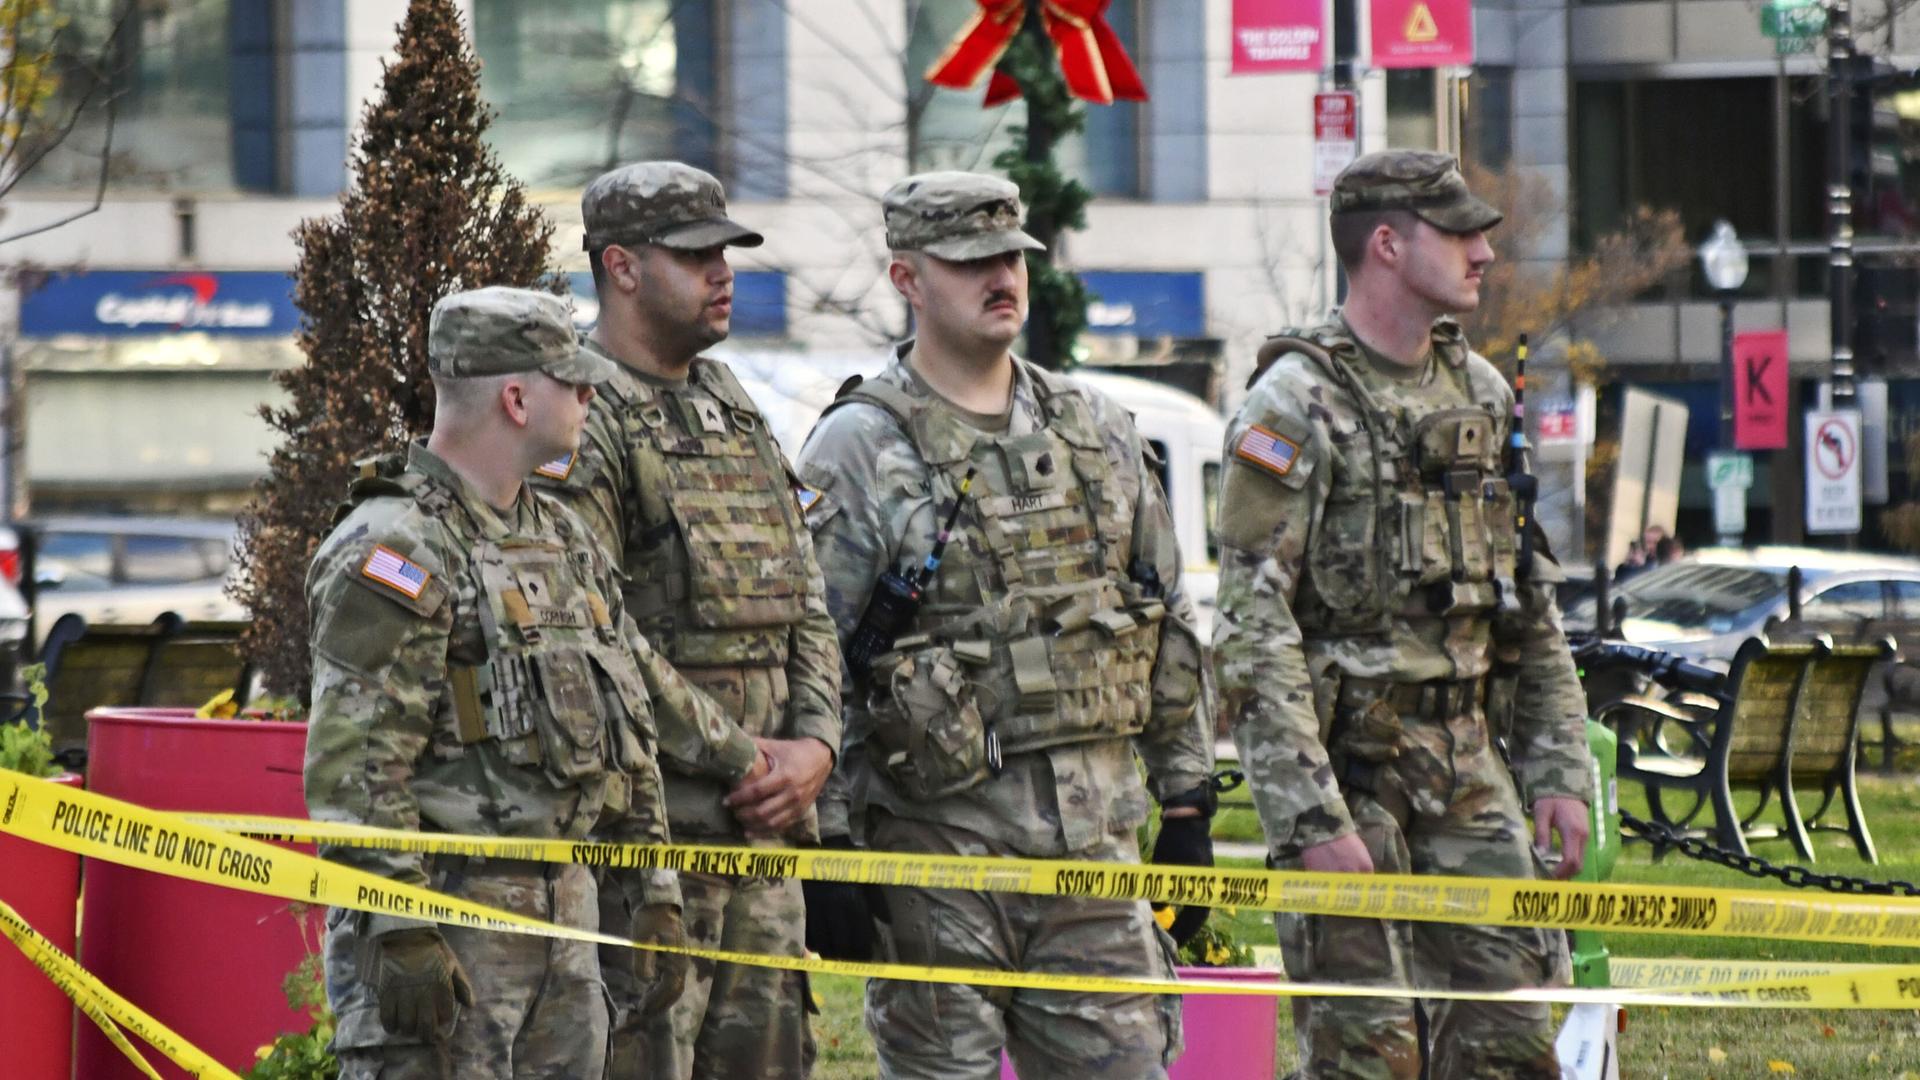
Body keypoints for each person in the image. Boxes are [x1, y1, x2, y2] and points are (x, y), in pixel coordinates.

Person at [794, 170, 1215, 1079]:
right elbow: (811, 654)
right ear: (908, 278)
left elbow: (1163, 619)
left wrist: (1188, 802)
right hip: (937, 868)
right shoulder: (858, 448)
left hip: (1095, 873)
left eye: (1012, 257)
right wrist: (823, 845)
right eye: (969, 260)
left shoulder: (1096, 430)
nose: (1002, 277)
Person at [1212, 150, 1594, 1080]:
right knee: (1368, 1057)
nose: (1485, 256)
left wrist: (1559, 768)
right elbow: (1252, 632)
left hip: (1469, 769)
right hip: (1353, 775)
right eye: (1461, 233)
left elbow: (1527, 603)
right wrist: (1309, 820)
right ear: (1386, 244)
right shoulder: (1293, 404)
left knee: (1510, 1046)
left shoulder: (1482, 395)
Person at [305, 286, 726, 1078]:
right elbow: (356, 764)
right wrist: (400, 925)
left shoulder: (561, 535)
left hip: (569, 924)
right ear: (516, 396)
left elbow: (624, 721)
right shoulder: (396, 547)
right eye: (573, 380)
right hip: (451, 930)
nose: (590, 395)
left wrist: (654, 887)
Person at [533, 160, 841, 1080]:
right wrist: (742, 756)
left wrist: (817, 746)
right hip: (653, 844)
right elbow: (594, 632)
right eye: (697, 253)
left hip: (763, 843)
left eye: (728, 251)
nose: (724, 271)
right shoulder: (582, 415)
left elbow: (807, 596)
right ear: (621, 266)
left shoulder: (731, 403)